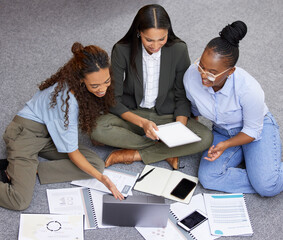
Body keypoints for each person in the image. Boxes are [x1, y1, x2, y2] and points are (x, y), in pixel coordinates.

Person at [0, 42, 124, 210]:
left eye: (106, 81)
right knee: (19, 200)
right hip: (25, 134)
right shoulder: (67, 101)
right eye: (95, 85)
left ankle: (27, 169)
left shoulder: (76, 82)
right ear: (81, 80)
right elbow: (73, 153)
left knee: (95, 165)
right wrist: (102, 179)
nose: (102, 89)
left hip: (49, 133)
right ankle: (20, 169)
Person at [91, 4, 213, 170]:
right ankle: (166, 151)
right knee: (96, 129)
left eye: (161, 39)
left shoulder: (179, 49)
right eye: (149, 40)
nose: (155, 46)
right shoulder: (122, 50)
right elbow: (114, 100)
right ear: (138, 32)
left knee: (205, 137)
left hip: (166, 115)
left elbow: (181, 95)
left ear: (168, 32)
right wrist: (143, 123)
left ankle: (134, 153)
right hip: (134, 113)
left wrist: (178, 130)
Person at [183, 21, 283, 197]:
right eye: (202, 66)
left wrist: (226, 145)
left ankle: (266, 177)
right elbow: (194, 109)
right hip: (222, 131)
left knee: (268, 187)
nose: (203, 76)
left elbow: (253, 130)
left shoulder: (249, 89)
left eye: (212, 72)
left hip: (255, 131)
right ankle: (262, 174)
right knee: (208, 178)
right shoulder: (191, 76)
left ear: (230, 72)